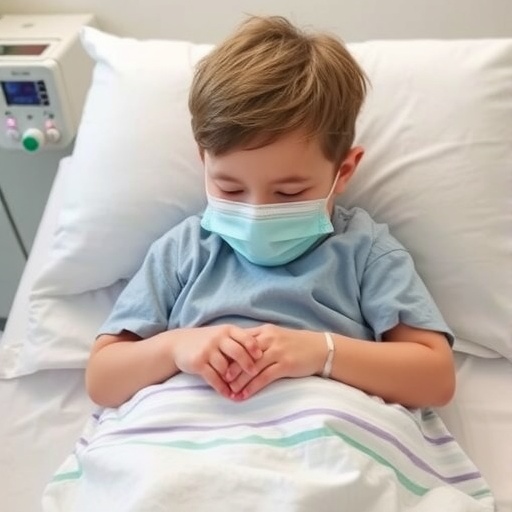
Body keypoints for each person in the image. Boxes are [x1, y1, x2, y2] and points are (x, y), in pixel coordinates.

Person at [85, 15, 455, 410]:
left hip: (324, 429)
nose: (255, 214)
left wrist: (323, 352)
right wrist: (174, 347)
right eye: (230, 188)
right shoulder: (184, 251)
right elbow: (102, 380)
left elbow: (435, 380)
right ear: (204, 162)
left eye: (289, 192)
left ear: (344, 171)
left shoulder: (365, 252)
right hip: (183, 427)